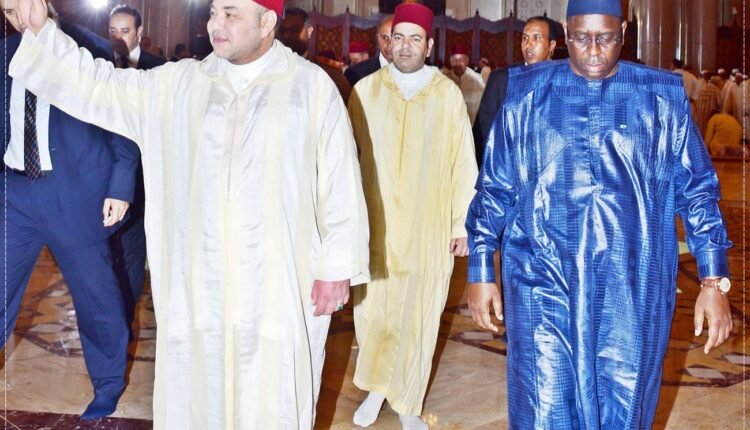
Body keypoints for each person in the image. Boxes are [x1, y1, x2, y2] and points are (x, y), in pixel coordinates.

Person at [9, 0, 370, 427]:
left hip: (278, 285)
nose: (215, 24)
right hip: (201, 287)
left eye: (231, 14)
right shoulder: (180, 85)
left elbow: (341, 181)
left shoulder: (311, 88)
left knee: (273, 398)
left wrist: (336, 267)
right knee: (199, 394)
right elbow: (98, 86)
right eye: (214, 12)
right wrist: (43, 34)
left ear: (267, 22)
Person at [465, 0, 733, 429]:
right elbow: (495, 189)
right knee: (544, 408)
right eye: (581, 38)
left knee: (623, 408)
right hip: (541, 283)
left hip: (632, 287)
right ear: (564, 33)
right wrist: (481, 270)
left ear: (622, 32)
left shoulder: (661, 99)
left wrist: (713, 281)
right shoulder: (525, 96)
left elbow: (698, 191)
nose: (593, 50)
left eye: (605, 38)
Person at [1, 0, 139, 419]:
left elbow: (122, 119)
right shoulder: (5, 53)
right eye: (7, 12)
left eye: (22, 6)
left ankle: (108, 385)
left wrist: (120, 184)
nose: (18, 19)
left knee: (97, 297)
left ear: (43, 2)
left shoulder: (90, 49)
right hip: (14, 192)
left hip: (75, 193)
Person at [347, 3, 477, 429]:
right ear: (387, 43)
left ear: (429, 45)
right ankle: (376, 389)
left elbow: (463, 163)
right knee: (373, 312)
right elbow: (345, 163)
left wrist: (461, 223)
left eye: (414, 39)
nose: (404, 46)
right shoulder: (365, 92)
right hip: (376, 225)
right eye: (397, 38)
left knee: (418, 314)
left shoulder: (446, 95)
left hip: (428, 226)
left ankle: (406, 401)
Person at [473, 15, 557, 165]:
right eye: (525, 38)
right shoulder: (501, 79)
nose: (528, 44)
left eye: (536, 38)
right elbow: (485, 130)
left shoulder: (565, 80)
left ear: (551, 45)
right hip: (507, 168)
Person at [277, 6, 352, 104]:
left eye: (294, 30)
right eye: (282, 30)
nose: (287, 36)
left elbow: (348, 104)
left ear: (309, 32)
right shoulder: (270, 66)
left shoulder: (328, 72)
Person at [108, 4, 164, 69]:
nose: (118, 37)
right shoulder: (100, 62)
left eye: (125, 31)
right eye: (113, 31)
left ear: (139, 32)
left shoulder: (160, 66)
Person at [442, 44, 485, 125]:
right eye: (454, 60)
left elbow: (484, 106)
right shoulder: (443, 79)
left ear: (467, 61)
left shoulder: (478, 80)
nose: (458, 64)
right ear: (450, 61)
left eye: (461, 60)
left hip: (471, 127)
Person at [344, 15, 393, 87]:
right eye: (385, 37)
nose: (390, 44)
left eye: (396, 38)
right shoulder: (355, 74)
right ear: (377, 38)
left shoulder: (410, 72)